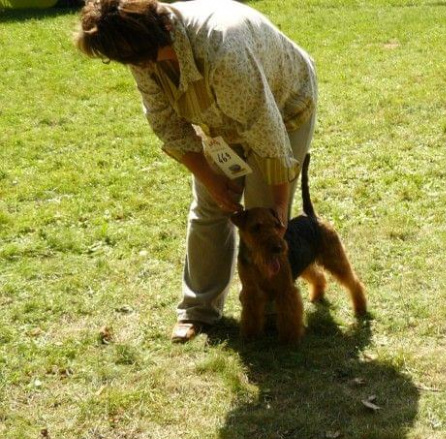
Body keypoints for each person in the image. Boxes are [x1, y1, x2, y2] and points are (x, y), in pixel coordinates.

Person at [75, 0, 318, 342]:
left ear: (160, 33)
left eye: (144, 59)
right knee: (209, 205)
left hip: (284, 105)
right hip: (219, 120)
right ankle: (198, 309)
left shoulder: (222, 47)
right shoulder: (138, 49)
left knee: (265, 210)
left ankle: (270, 307)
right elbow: (167, 124)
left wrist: (279, 204)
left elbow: (265, 131)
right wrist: (212, 180)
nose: (141, 67)